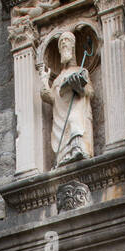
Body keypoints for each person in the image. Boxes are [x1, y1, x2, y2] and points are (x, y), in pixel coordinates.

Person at [40, 29, 94, 165]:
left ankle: (78, 149)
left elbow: (90, 92)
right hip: (60, 116)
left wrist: (78, 87)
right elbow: (52, 98)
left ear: (73, 47)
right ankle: (64, 157)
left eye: (67, 41)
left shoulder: (80, 71)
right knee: (63, 132)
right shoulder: (57, 79)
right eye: (61, 42)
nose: (64, 43)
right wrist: (45, 83)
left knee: (74, 120)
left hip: (77, 109)